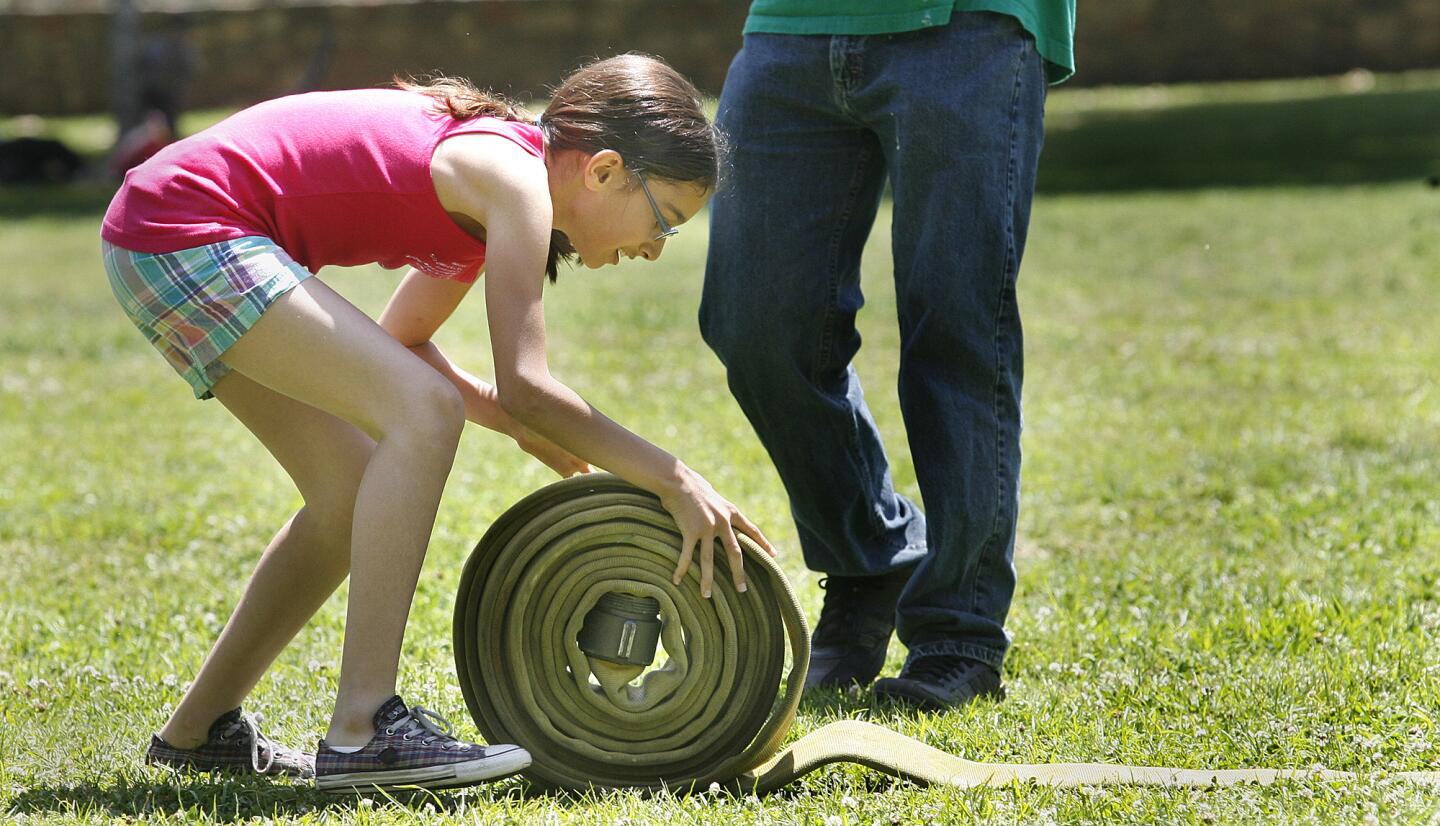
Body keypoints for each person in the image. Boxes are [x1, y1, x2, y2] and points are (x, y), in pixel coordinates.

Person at [101, 53, 775, 793]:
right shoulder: (514, 181)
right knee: (422, 413)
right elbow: (525, 387)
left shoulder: (491, 192)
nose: (653, 248)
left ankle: (197, 734)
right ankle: (363, 729)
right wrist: (672, 476)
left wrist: (520, 425)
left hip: (161, 230)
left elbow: (408, 345)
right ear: (605, 170)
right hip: (186, 226)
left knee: (349, 491)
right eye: (665, 220)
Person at [699, 2, 1075, 710]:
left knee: (956, 327)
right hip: (793, 23)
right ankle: (870, 557)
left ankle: (957, 632)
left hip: (969, 22)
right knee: (754, 324)